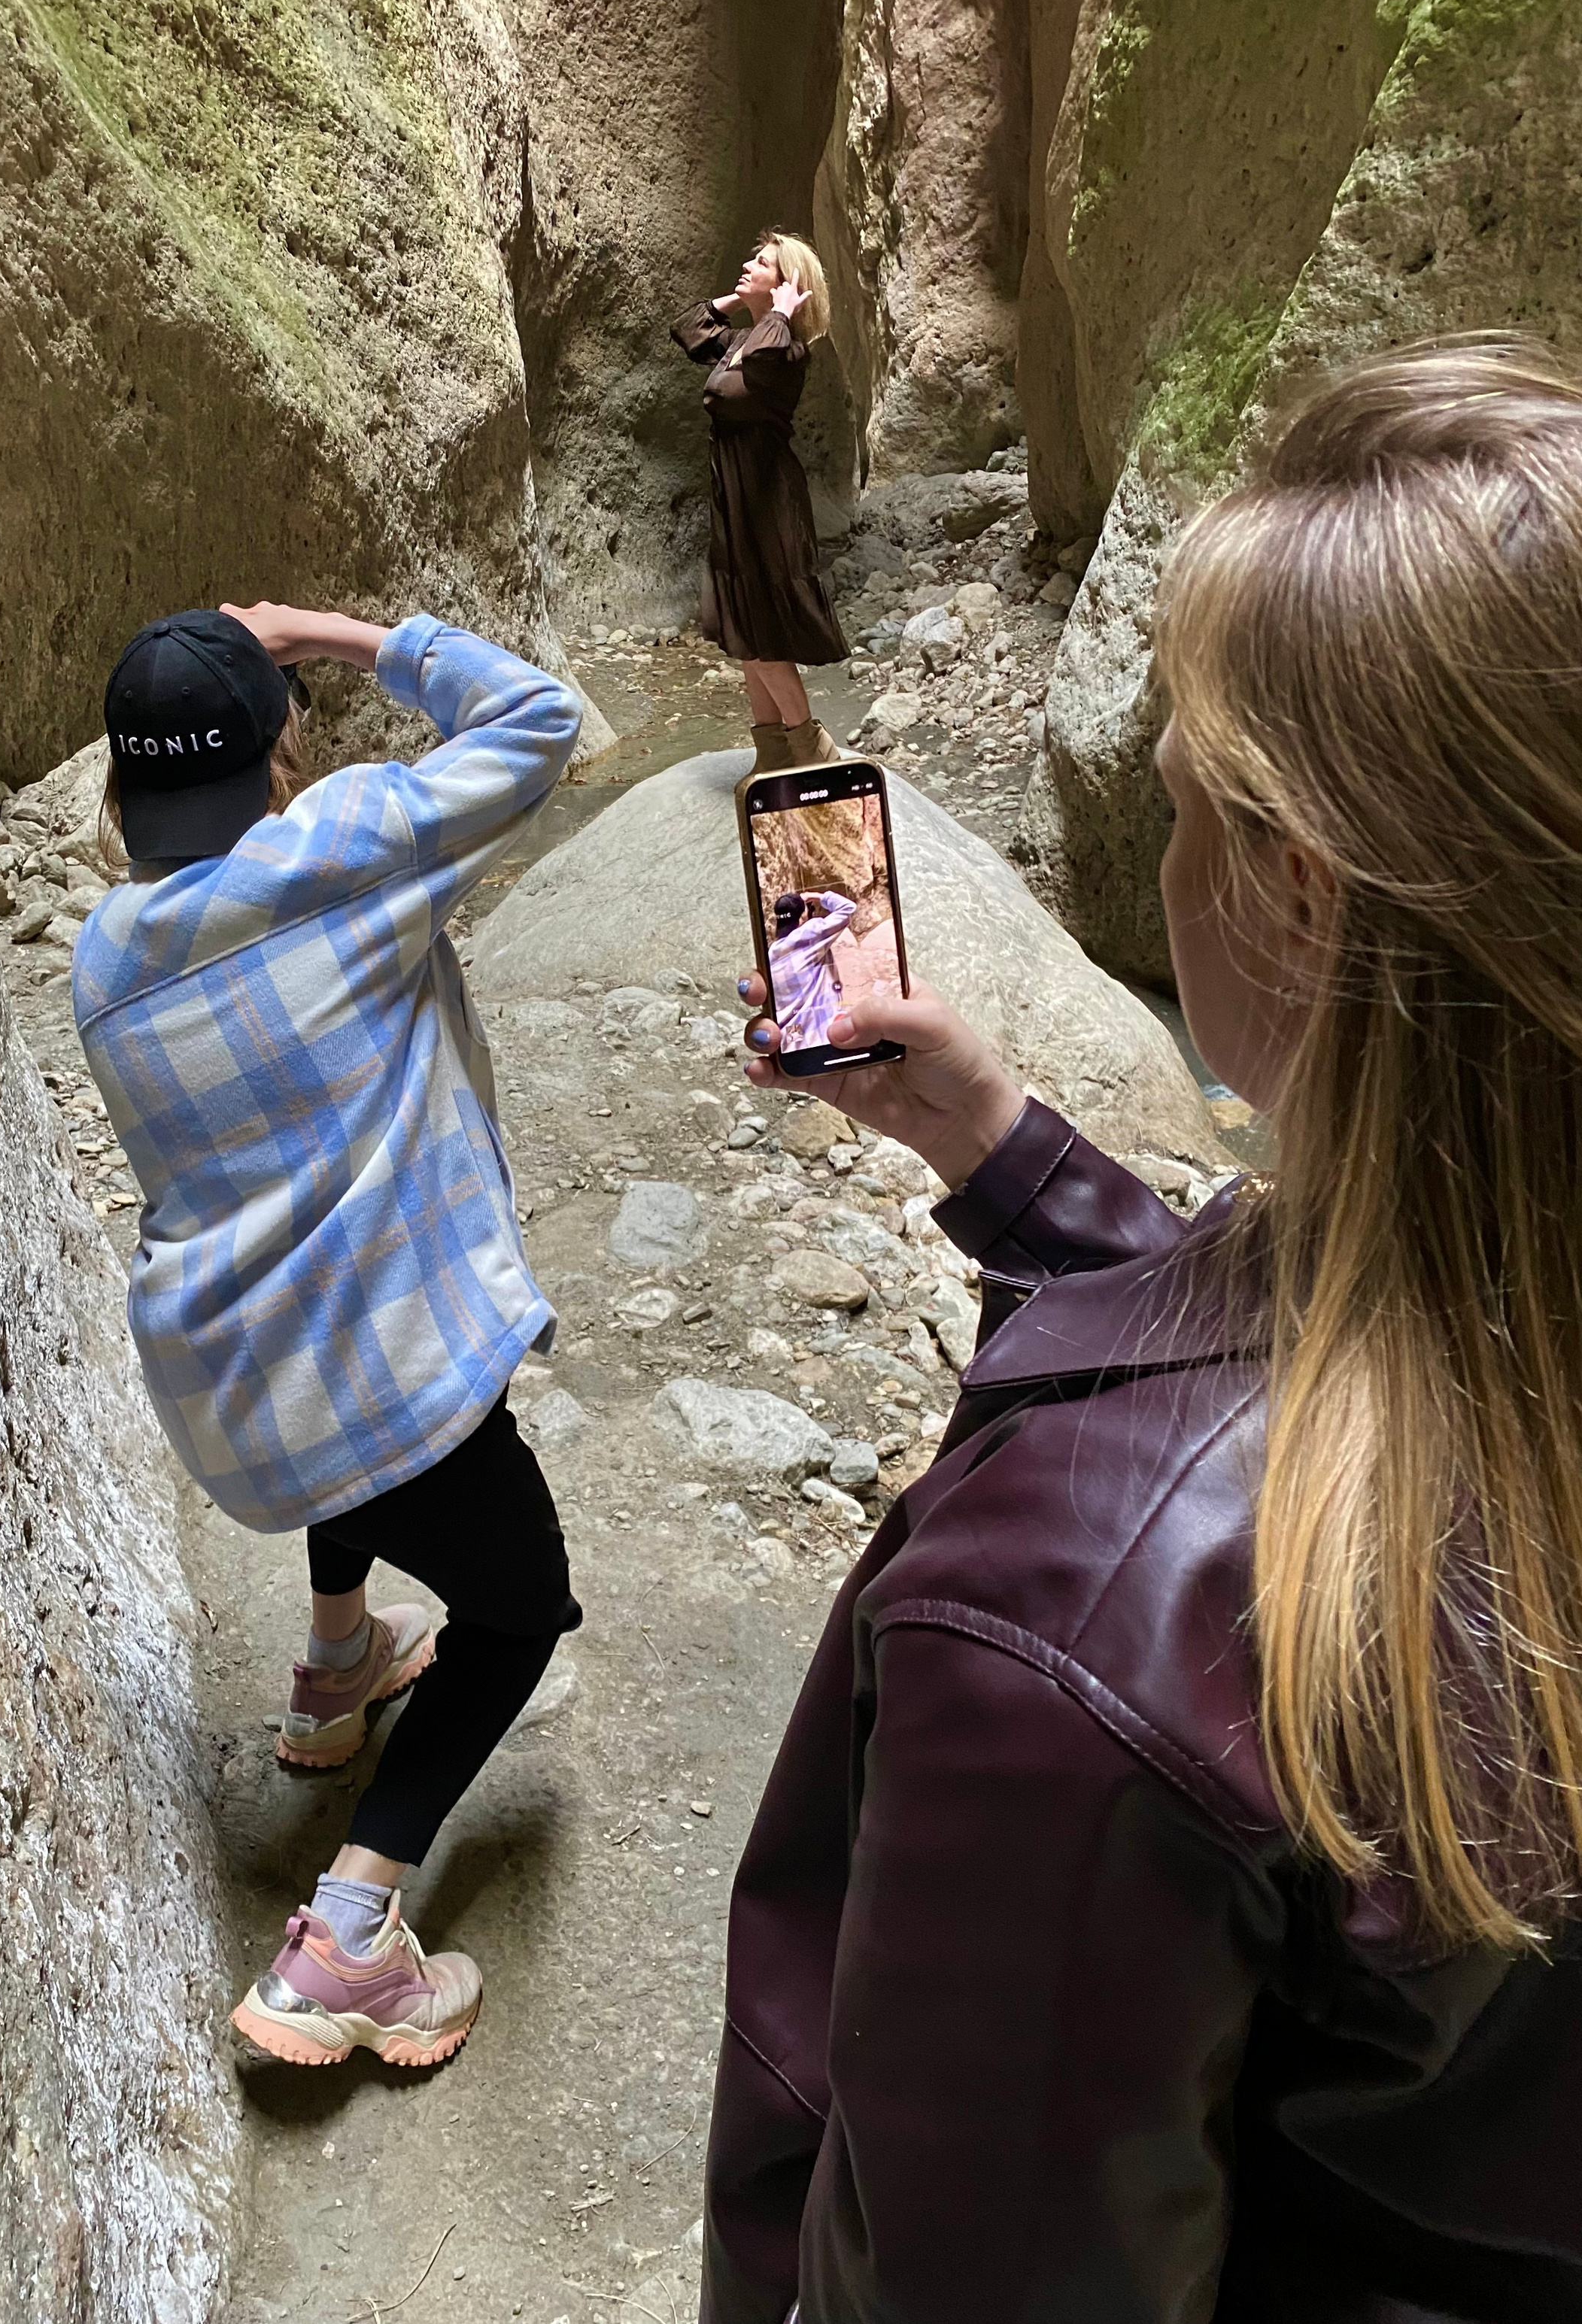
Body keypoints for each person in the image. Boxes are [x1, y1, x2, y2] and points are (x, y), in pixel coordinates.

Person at [702, 338, 1582, 2319]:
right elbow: (1368, 1328)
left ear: (1289, 896)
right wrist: (1008, 1155)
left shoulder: (1079, 1608)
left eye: (1183, 801)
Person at [72, 600, 584, 2071]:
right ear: (280, 749)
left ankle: (335, 1661)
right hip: (384, 1387)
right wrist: (337, 634)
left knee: (334, 1375)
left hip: (237, 1396)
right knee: (516, 1609)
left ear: (117, 790)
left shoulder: (103, 962)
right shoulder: (347, 846)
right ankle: (344, 1943)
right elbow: (539, 722)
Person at [672, 233, 846, 780]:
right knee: (747, 627)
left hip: (767, 501)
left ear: (789, 284)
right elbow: (686, 328)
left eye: (762, 263)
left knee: (764, 629)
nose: (747, 265)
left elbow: (770, 353)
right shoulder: (740, 340)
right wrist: (738, 299)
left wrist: (784, 308)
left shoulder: (785, 349)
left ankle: (813, 750)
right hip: (736, 496)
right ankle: (772, 755)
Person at [765, 889, 855, 1052]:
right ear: (801, 919)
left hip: (793, 1043)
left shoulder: (771, 954)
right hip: (825, 1036)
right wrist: (818, 896)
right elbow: (848, 908)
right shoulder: (810, 934)